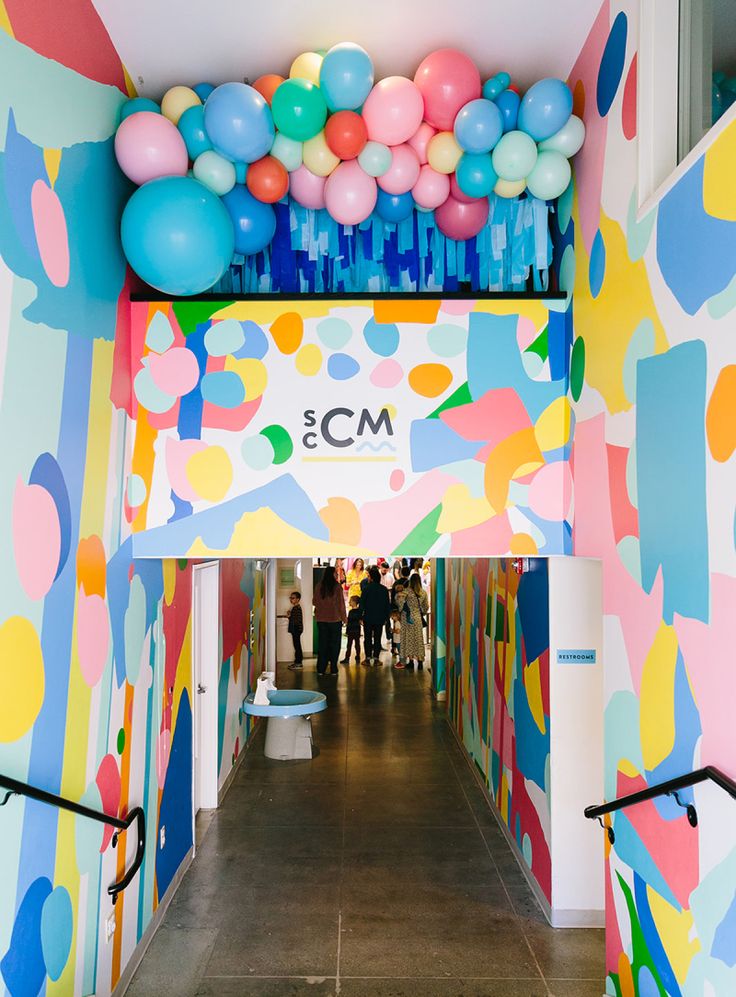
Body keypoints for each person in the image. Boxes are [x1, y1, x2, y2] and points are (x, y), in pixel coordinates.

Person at [313, 565, 347, 675]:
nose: (337, 575)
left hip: (321, 620)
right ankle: (333, 668)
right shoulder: (337, 587)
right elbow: (341, 605)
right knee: (335, 644)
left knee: (323, 644)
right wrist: (345, 619)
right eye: (336, 573)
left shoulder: (319, 586)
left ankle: (321, 669)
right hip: (335, 620)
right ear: (332, 574)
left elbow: (314, 602)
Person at [394, 572, 429, 670]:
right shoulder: (423, 592)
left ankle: (411, 661)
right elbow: (425, 607)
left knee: (408, 640)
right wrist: (422, 612)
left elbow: (398, 601)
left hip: (407, 618)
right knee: (418, 640)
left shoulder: (406, 592)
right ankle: (420, 661)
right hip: (417, 618)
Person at [361, 565, 390, 666]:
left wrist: (360, 617)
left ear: (372, 578)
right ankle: (377, 659)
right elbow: (387, 605)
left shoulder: (366, 589)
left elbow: (362, 605)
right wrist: (386, 618)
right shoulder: (384, 589)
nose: (368, 578)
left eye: (369, 576)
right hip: (379, 618)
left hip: (368, 617)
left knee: (367, 638)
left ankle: (368, 658)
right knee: (377, 638)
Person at [341, 596, 363, 665]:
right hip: (355, 629)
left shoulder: (352, 612)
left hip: (352, 630)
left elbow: (350, 621)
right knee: (356, 644)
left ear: (354, 602)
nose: (349, 602)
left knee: (350, 645)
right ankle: (357, 656)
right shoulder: (358, 611)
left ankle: (347, 658)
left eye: (350, 601)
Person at [286, 591, 303, 670]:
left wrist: (290, 616)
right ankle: (297, 662)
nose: (291, 599)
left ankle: (298, 663)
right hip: (296, 629)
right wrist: (290, 616)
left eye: (293, 598)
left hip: (296, 629)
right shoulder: (295, 608)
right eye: (290, 598)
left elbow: (296, 621)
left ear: (298, 599)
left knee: (297, 646)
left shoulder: (297, 608)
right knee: (296, 645)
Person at [379, 560, 394, 645]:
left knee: (387, 618)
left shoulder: (390, 576)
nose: (385, 571)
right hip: (379, 599)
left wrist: (389, 588)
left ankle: (388, 636)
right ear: (381, 568)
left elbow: (393, 585)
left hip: (388, 599)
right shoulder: (378, 575)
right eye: (383, 570)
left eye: (386, 570)